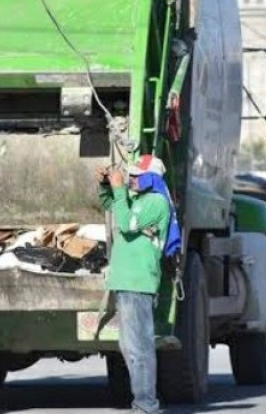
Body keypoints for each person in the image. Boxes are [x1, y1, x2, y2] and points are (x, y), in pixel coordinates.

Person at [97, 154, 171, 414]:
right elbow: (109, 204)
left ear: (152, 178)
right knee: (129, 347)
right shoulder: (136, 199)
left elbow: (127, 224)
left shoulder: (157, 202)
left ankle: (146, 406)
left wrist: (119, 189)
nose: (132, 179)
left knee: (139, 349)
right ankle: (144, 404)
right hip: (126, 283)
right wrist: (107, 186)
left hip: (138, 283)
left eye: (137, 176)